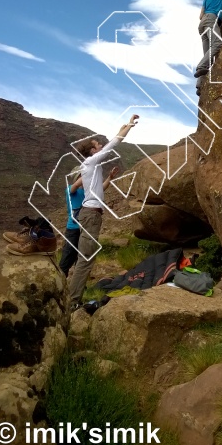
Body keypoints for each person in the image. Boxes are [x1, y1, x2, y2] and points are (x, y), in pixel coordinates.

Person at [69, 115, 139, 308]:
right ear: (92, 150)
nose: (100, 145)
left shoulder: (91, 167)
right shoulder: (91, 162)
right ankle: (72, 302)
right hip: (90, 215)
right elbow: (115, 142)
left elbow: (97, 191)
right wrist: (130, 125)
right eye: (97, 144)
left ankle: (74, 297)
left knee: (85, 258)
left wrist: (108, 178)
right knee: (86, 260)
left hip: (90, 213)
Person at [59, 164, 119, 277]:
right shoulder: (70, 190)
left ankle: (77, 284)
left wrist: (109, 178)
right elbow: (76, 185)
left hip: (85, 228)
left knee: (82, 257)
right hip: (73, 229)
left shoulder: (88, 191)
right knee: (68, 256)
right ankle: (60, 280)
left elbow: (102, 188)